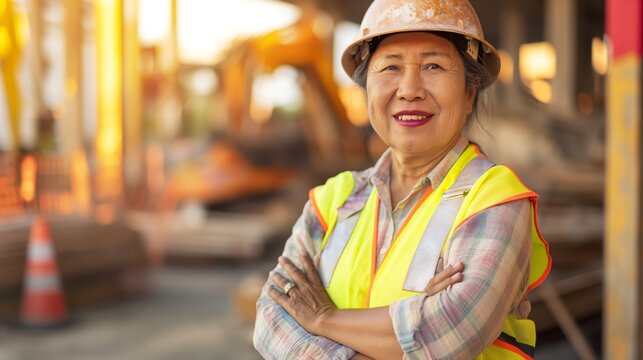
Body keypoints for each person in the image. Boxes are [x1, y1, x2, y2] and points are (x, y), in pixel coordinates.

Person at [253, 0, 552, 358]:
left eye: (434, 66)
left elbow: (452, 330)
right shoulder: (333, 199)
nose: (410, 89)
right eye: (391, 67)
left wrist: (322, 318)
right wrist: (400, 334)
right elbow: (270, 319)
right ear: (366, 90)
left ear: (469, 93)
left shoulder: (495, 200)